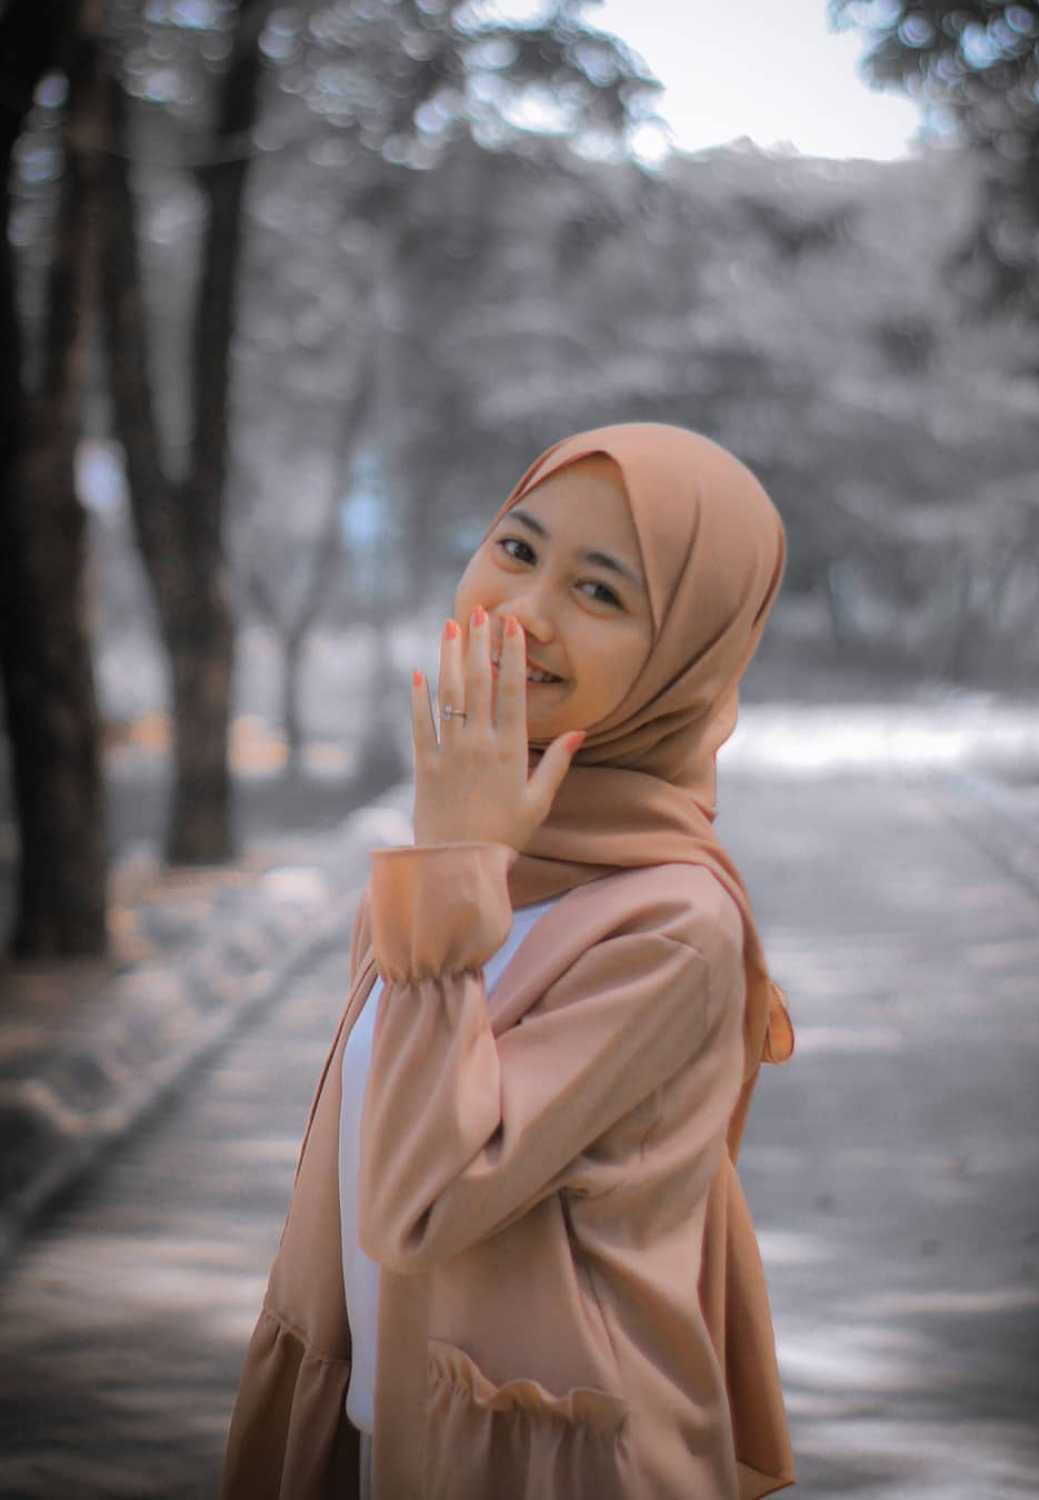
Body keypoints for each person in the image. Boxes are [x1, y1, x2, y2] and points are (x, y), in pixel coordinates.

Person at [219, 422, 797, 1500]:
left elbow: (418, 1203)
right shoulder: (456, 862)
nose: (523, 612)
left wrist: (453, 864)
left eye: (601, 592)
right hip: (392, 1440)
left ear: (687, 653)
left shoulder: (672, 926)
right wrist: (456, 859)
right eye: (517, 549)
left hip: (559, 1465)